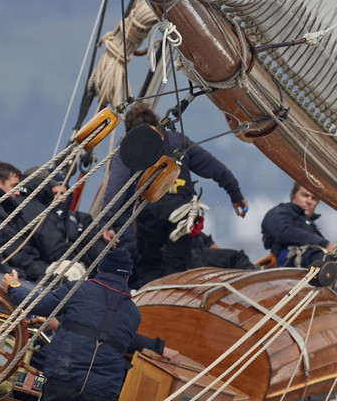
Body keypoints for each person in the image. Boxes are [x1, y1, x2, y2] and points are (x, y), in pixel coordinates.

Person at [0, 247, 177, 401]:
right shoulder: (133, 313)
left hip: (63, 379)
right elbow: (122, 338)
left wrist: (13, 286)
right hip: (99, 393)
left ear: (99, 268)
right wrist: (160, 347)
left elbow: (39, 304)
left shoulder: (78, 289)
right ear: (127, 276)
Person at [98, 103, 248, 286]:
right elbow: (215, 168)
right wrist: (235, 194)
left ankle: (149, 305)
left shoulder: (128, 150)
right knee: (176, 270)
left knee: (149, 269)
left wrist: (107, 221)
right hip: (181, 218)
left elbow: (116, 188)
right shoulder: (177, 141)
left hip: (150, 219)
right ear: (156, 122)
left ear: (131, 132)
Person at [261, 183, 337, 267]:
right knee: (321, 258)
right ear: (292, 196)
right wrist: (325, 244)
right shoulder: (277, 212)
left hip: (313, 260)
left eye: (314, 198)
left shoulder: (310, 226)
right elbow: (284, 232)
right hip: (288, 259)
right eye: (305, 195)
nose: (309, 201)